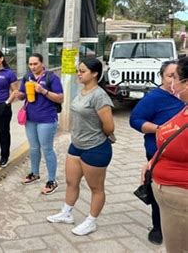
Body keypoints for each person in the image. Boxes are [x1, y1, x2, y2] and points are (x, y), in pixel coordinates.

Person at [46, 58, 115, 236]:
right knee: (71, 182)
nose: (79, 73)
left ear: (95, 74)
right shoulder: (81, 90)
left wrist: (98, 135)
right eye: (78, 70)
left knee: (96, 188)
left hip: (96, 147)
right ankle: (66, 212)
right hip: (76, 145)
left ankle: (91, 221)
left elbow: (109, 127)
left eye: (82, 71)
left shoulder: (99, 96)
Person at [129, 61, 184, 244]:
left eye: (177, 77)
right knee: (157, 194)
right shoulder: (153, 98)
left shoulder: (183, 97)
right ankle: (158, 227)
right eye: (170, 76)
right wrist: (160, 129)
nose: (173, 81)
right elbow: (135, 120)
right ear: (161, 76)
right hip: (157, 154)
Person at [147, 57, 188, 253]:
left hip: (181, 195)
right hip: (169, 196)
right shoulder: (184, 106)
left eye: (176, 78)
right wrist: (154, 161)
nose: (172, 83)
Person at [16, 53, 64, 194]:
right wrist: (19, 95)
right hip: (30, 119)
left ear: (42, 63)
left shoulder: (51, 78)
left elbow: (60, 98)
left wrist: (43, 90)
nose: (32, 67)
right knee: (34, 148)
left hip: (47, 119)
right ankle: (34, 173)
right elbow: (21, 93)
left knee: (47, 149)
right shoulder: (27, 77)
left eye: (35, 64)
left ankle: (51, 180)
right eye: (30, 64)